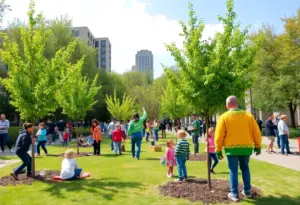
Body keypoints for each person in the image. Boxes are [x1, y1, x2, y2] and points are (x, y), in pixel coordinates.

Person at [215, 96, 262, 202]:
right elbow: (256, 132)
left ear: (227, 105)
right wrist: (258, 146)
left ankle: (234, 194)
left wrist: (218, 149)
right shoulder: (248, 116)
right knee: (245, 168)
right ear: (237, 104)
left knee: (233, 171)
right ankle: (247, 191)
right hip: (246, 148)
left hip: (231, 149)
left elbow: (219, 135)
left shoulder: (224, 117)